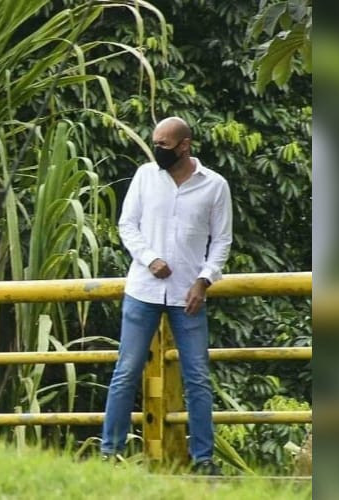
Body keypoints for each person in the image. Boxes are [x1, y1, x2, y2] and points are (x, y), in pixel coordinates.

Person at [100, 117, 233, 475]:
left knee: (198, 377)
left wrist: (204, 281)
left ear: (184, 145)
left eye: (164, 145)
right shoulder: (145, 176)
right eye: (155, 143)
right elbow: (127, 224)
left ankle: (203, 460)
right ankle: (109, 454)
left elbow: (221, 240)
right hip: (143, 290)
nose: (157, 150)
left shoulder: (215, 186)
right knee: (126, 371)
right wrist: (150, 258)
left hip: (187, 294)